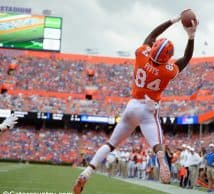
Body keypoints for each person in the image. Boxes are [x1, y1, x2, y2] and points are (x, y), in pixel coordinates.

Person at [73, 11, 198, 193]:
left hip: (131, 106)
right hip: (148, 110)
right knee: (157, 145)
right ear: (167, 57)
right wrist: (191, 36)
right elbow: (185, 59)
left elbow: (151, 35)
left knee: (110, 144)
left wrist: (174, 19)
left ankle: (87, 171)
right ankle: (162, 161)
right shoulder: (167, 71)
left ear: (153, 49)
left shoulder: (141, 54)